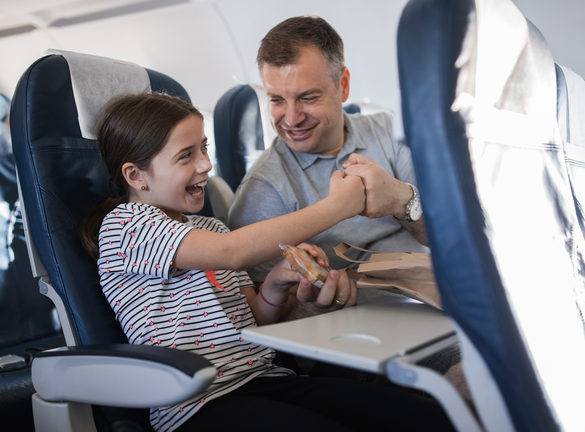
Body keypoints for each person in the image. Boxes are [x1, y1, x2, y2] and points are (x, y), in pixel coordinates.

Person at [78, 92, 453, 432]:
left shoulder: (210, 226)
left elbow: (252, 318)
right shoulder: (127, 225)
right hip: (195, 404)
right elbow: (233, 252)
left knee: (422, 417)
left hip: (263, 378)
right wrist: (338, 207)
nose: (206, 164)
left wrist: (276, 283)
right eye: (186, 155)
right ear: (136, 176)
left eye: (204, 147)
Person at [227, 15, 466, 394]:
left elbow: (453, 239)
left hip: (445, 302)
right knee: (480, 377)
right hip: (367, 341)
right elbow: (271, 328)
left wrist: (402, 201)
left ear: (343, 85)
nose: (290, 118)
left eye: (307, 97)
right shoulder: (262, 192)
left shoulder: (387, 132)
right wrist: (312, 306)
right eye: (276, 100)